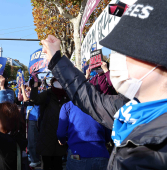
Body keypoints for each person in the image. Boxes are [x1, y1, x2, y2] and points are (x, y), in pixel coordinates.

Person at [41, 1, 167, 169]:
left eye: (127, 51)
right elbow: (89, 99)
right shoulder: (129, 109)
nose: (118, 58)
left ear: (158, 61)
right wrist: (56, 59)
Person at [30, 73, 69, 170]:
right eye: (56, 81)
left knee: (58, 165)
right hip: (46, 136)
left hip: (60, 137)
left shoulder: (67, 96)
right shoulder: (47, 94)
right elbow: (34, 99)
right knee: (47, 165)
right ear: (52, 83)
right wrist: (35, 82)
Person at [57, 101, 111, 170]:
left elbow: (61, 133)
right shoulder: (101, 105)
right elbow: (108, 136)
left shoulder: (68, 106)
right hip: (100, 154)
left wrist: (62, 141)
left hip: (77, 155)